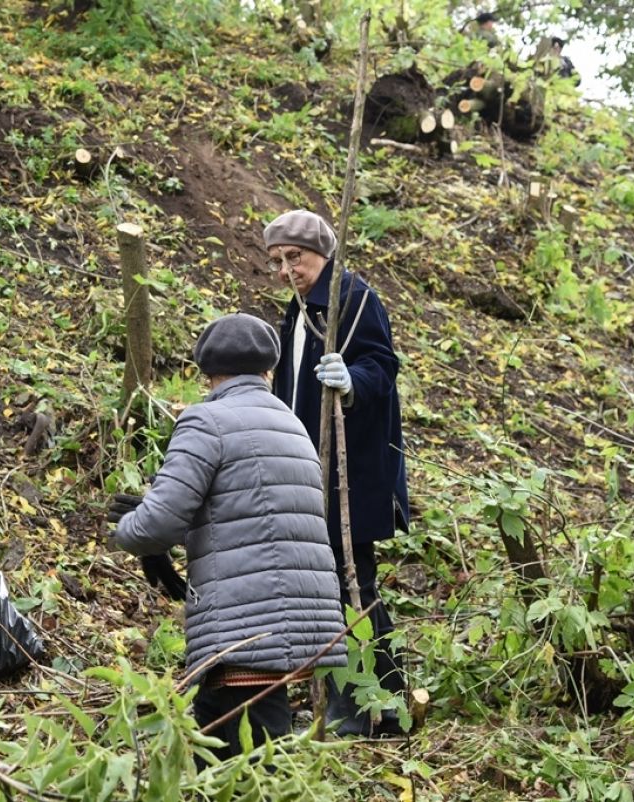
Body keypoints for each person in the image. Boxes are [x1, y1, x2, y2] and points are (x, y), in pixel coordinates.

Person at [108, 313, 347, 761]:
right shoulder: (291, 424)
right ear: (268, 369)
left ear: (208, 372)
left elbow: (158, 523)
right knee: (235, 748)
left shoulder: (207, 421)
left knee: (246, 763)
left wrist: (128, 529)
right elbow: (250, 519)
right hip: (301, 620)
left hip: (246, 627)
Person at [265, 210, 409, 737]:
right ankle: (361, 699)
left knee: (352, 582)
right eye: (277, 261)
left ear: (321, 254)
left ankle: (372, 705)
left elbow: (381, 366)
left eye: (294, 258)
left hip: (350, 474)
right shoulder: (302, 306)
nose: (286, 270)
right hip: (308, 466)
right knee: (335, 584)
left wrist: (352, 382)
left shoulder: (354, 298)